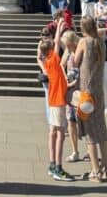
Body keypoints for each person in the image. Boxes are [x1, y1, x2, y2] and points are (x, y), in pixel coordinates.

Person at [73, 16, 107, 182]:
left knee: (90, 133)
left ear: (83, 28)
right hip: (98, 91)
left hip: (86, 91)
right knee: (101, 130)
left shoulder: (84, 42)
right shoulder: (100, 42)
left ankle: (95, 171)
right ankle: (106, 167)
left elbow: (75, 61)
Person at [41, 19, 75, 181]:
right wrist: (60, 28)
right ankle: (58, 168)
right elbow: (56, 44)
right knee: (60, 133)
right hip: (58, 102)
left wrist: (70, 84)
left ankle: (52, 164)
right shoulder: (53, 61)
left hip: (55, 100)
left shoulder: (49, 63)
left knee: (53, 132)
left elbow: (62, 53)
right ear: (51, 52)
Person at [60, 30, 81, 164]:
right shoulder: (68, 52)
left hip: (79, 92)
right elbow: (61, 65)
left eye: (68, 44)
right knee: (71, 121)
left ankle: (92, 151)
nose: (66, 47)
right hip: (69, 92)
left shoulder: (80, 51)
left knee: (83, 123)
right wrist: (65, 80)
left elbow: (84, 71)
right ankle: (75, 151)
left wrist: (74, 82)